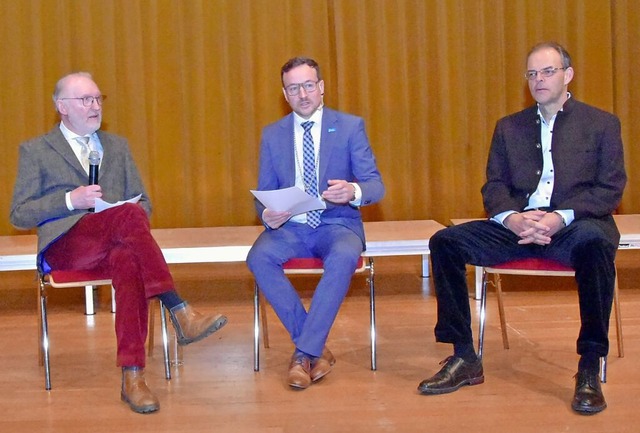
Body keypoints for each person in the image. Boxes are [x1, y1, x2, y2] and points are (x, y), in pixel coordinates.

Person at [417, 42, 626, 415]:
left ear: (568, 75)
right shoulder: (509, 127)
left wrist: (559, 216)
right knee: (445, 242)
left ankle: (589, 367)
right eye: (532, 73)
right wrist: (511, 218)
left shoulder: (601, 124)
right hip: (517, 224)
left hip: (575, 225)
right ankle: (464, 357)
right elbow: (493, 186)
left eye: (547, 71)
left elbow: (610, 189)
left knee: (597, 246)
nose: (538, 80)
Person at [10, 72, 228, 414]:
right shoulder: (36, 150)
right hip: (66, 246)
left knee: (128, 256)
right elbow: (19, 214)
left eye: (98, 99)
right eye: (85, 100)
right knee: (127, 217)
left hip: (115, 239)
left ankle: (133, 377)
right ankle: (179, 309)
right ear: (61, 107)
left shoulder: (117, 146)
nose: (94, 106)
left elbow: (144, 206)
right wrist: (71, 200)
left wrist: (125, 211)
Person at [246, 57, 384, 390]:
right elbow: (261, 194)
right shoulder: (272, 135)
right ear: (285, 93)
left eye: (309, 85)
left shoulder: (350, 126)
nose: (303, 94)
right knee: (257, 258)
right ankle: (315, 350)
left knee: (343, 257)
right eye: (294, 88)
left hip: (337, 223)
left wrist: (352, 190)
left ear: (321, 87)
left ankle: (302, 354)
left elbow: (375, 185)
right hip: (290, 226)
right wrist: (266, 213)